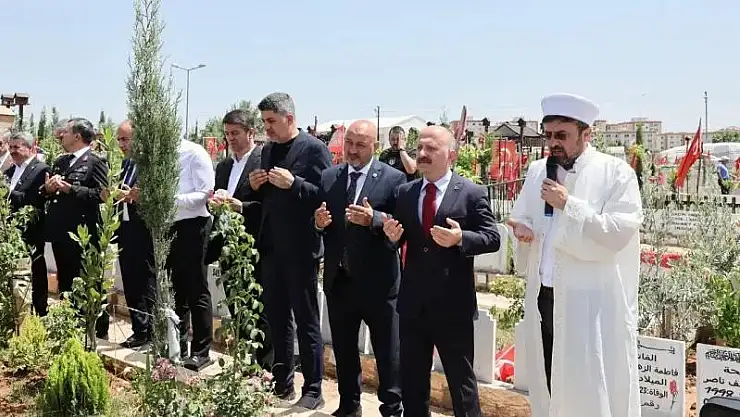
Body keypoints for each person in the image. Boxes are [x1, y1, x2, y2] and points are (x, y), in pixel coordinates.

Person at [506, 93, 642, 417]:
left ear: (586, 134)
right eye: (549, 135)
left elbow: (618, 233)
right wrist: (522, 231)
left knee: (588, 384)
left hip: (590, 302)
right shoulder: (538, 171)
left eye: (562, 135)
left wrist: (569, 204)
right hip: (544, 297)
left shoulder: (616, 173)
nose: (553, 143)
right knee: (549, 380)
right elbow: (522, 217)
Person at [381, 125, 500, 417]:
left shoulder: (471, 193)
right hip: (413, 305)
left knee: (462, 384)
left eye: (431, 148)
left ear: (451, 155)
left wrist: (461, 239)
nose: (422, 153)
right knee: (413, 383)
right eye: (419, 148)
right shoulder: (406, 193)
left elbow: (492, 237)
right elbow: (399, 238)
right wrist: (392, 238)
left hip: (453, 306)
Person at [314, 120, 405, 417]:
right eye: (349, 143)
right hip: (340, 280)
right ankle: (349, 405)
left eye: (360, 145)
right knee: (344, 348)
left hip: (379, 283)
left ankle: (391, 408)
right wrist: (318, 223)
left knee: (387, 352)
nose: (352, 150)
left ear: (374, 146)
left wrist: (374, 219)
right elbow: (322, 221)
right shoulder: (330, 177)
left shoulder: (393, 179)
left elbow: (401, 227)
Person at [248, 92, 331, 409]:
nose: (266, 127)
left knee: (306, 321)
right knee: (277, 319)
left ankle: (313, 389)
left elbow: (325, 195)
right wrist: (255, 185)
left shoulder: (314, 149)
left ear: (289, 118)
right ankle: (282, 384)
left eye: (271, 121)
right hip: (271, 247)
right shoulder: (268, 150)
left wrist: (294, 183)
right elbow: (266, 200)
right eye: (264, 121)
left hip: (300, 249)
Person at [206, 109, 273, 369]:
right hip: (228, 246)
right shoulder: (224, 166)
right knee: (236, 306)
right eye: (227, 134)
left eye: (235, 133)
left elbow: (268, 207)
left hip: (254, 245)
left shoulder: (263, 161)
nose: (230, 139)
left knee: (259, 310)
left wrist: (240, 207)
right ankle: (246, 363)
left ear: (251, 132)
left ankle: (265, 369)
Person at [42, 118, 109, 338]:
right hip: (61, 233)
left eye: (66, 132)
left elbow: (103, 195)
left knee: (87, 281)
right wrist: (48, 188)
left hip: (83, 234)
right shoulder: (61, 161)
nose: (62, 136)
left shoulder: (95, 162)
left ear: (77, 136)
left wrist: (71, 189)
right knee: (66, 282)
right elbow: (48, 192)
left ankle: (96, 330)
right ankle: (71, 324)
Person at [167, 134, 216, 371]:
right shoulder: (160, 155)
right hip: (169, 226)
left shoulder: (194, 153)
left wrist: (171, 200)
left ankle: (201, 351)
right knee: (175, 291)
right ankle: (177, 347)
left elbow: (206, 193)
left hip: (194, 225)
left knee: (196, 290)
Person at [115, 120, 156, 349]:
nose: (122, 144)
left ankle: (152, 330)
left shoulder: (150, 165)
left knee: (146, 280)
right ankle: (139, 330)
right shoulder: (125, 164)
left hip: (144, 229)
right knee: (130, 279)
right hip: (125, 227)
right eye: (119, 139)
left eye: (125, 139)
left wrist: (139, 196)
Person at [5, 131, 50, 316]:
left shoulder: (41, 170)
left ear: (30, 147)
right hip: (11, 230)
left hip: (31, 230)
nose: (12, 151)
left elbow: (33, 199)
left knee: (36, 270)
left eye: (17, 147)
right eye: (10, 147)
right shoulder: (10, 170)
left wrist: (7, 191)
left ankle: (40, 310)